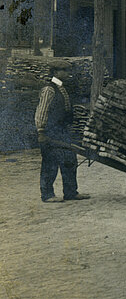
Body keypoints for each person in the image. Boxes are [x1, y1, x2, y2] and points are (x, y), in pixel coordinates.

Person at [35, 61, 89, 203]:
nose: (67, 73)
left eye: (67, 70)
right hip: (51, 132)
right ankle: (47, 195)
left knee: (70, 160)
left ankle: (71, 192)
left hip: (63, 131)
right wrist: (41, 131)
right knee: (50, 163)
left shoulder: (62, 88)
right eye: (63, 70)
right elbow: (42, 111)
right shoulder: (49, 89)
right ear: (55, 72)